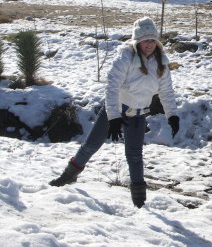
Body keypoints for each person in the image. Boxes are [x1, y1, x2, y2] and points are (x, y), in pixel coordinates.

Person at [49, 17, 180, 208]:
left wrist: (172, 115)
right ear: (137, 41)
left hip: (138, 114)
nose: (150, 44)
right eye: (146, 40)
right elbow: (112, 88)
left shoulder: (160, 62)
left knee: (134, 155)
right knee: (91, 145)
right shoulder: (125, 58)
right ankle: (67, 177)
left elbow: (166, 91)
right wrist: (114, 118)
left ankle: (139, 201)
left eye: (153, 40)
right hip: (115, 109)